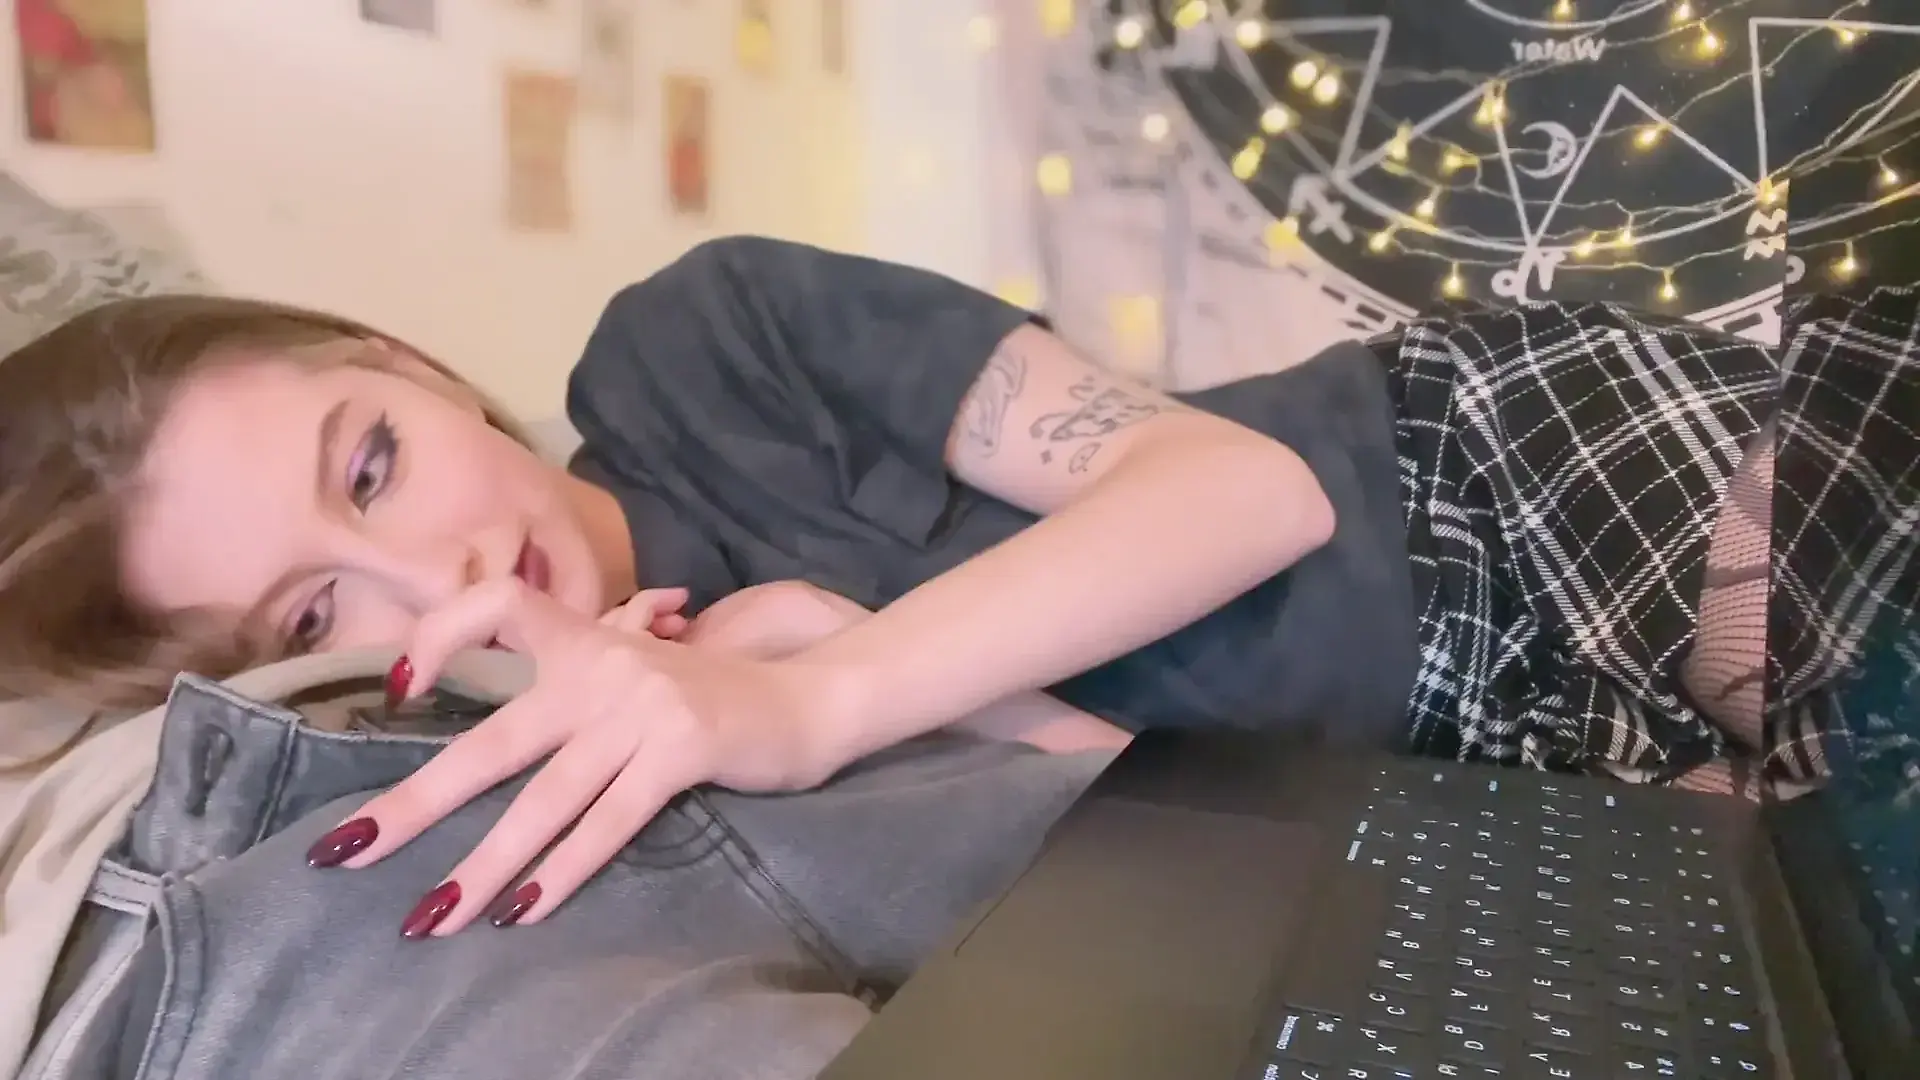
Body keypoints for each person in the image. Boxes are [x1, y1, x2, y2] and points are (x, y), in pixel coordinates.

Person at [1, 235, 1786, 945]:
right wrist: (881, 691)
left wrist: (818, 699)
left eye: (374, 464)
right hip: (1455, 816)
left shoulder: (696, 347)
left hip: (1486, 493)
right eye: (318, 615)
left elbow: (1248, 492)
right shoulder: (608, 792)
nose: (430, 576)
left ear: (400, 361)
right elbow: (1176, 831)